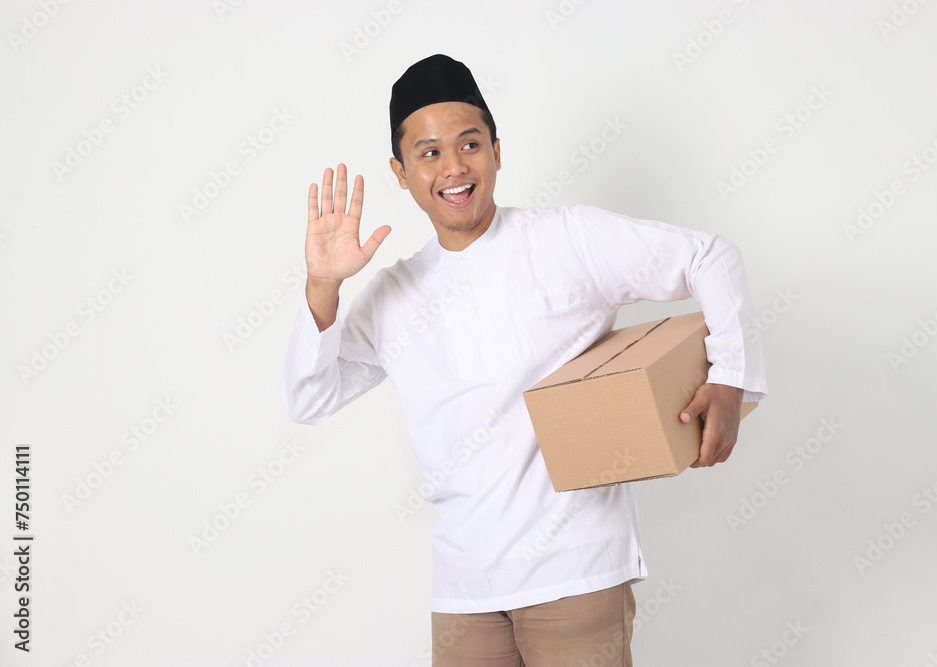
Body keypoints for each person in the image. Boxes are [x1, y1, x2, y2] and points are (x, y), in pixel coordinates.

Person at [282, 54, 767, 666]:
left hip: (576, 571)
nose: (454, 167)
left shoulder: (565, 239)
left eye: (470, 144)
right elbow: (308, 396)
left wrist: (730, 378)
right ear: (400, 173)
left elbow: (708, 257)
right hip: (464, 589)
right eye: (429, 153)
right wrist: (322, 287)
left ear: (497, 151)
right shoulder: (391, 296)